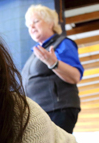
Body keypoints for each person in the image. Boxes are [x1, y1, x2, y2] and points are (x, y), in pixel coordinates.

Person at [22, 4, 84, 134]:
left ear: (50, 24)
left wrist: (53, 64)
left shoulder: (62, 43)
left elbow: (75, 76)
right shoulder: (38, 51)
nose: (31, 27)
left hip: (58, 110)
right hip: (41, 112)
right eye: (29, 25)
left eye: (36, 21)